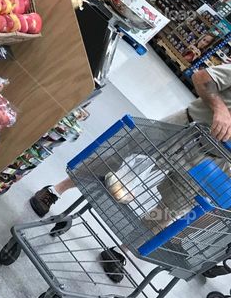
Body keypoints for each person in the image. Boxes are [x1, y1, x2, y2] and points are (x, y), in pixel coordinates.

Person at [28, 63, 231, 281]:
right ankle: (56, 190)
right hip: (187, 127)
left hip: (214, 161)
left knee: (171, 209)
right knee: (117, 156)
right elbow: (202, 77)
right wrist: (220, 109)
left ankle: (120, 251)